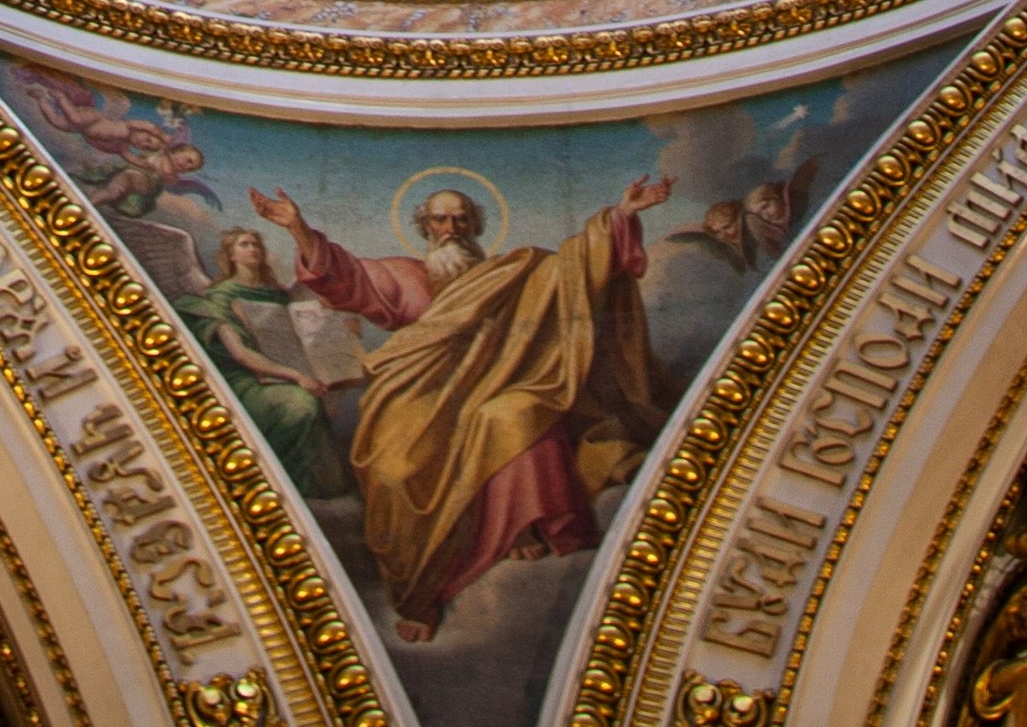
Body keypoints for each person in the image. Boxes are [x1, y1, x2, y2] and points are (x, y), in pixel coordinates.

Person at [246, 175, 673, 641]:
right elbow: (346, 277)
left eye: (460, 219)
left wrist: (625, 214)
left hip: (503, 378)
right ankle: (418, 585)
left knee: (517, 417)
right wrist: (298, 230)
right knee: (392, 467)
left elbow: (575, 268)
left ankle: (521, 526)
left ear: (475, 225)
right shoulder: (403, 274)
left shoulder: (514, 270)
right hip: (423, 388)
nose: (450, 228)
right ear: (424, 227)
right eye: (439, 219)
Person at [174, 231, 342, 503]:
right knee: (299, 405)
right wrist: (297, 375)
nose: (253, 249)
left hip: (283, 376)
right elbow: (241, 354)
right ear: (231, 254)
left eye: (256, 244)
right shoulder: (221, 296)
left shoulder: (276, 295)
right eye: (244, 244)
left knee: (323, 399)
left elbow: (300, 340)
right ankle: (275, 485)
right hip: (245, 382)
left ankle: (305, 485)